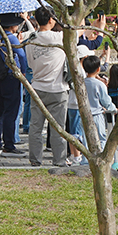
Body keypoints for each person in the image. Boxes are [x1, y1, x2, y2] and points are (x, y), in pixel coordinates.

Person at [24, 8, 68, 167]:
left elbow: (29, 64)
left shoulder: (30, 39)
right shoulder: (58, 37)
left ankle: (35, 160)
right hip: (57, 90)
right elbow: (78, 33)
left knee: (35, 128)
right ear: (51, 19)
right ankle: (59, 161)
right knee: (58, 128)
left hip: (37, 88)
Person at [0, 14, 29, 154]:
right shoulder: (10, 38)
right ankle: (9, 144)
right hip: (11, 76)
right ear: (12, 25)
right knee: (11, 112)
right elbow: (22, 55)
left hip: (0, 77)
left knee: (0, 110)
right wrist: (23, 71)